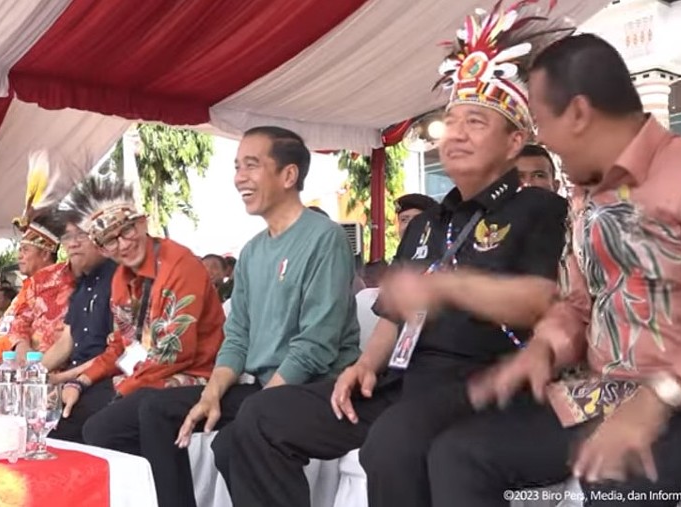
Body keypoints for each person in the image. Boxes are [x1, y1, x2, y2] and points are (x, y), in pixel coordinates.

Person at [217, 6, 569, 507]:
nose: (458, 133)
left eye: (476, 121)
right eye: (450, 122)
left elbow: (543, 303)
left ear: (516, 141)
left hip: (481, 379)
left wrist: (454, 290)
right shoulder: (426, 223)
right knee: (262, 417)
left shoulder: (540, 209)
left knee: (393, 443)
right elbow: (391, 313)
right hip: (400, 378)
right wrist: (363, 366)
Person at [435, 33, 681, 507]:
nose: (540, 140)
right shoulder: (584, 197)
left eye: (542, 123)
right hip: (606, 395)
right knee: (459, 454)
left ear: (578, 113)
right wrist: (543, 350)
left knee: (612, 482)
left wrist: (654, 403)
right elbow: (575, 304)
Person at [84, 126, 361, 507]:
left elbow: (316, 344)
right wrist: (212, 395)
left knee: (233, 441)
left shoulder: (324, 238)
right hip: (263, 386)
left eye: (251, 165)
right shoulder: (251, 252)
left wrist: (261, 405)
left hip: (315, 388)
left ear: (288, 175)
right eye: (236, 167)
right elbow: (238, 338)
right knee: (118, 421)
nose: (238, 178)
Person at [67, 174, 226, 456]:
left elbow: (174, 354)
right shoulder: (120, 279)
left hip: (195, 374)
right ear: (102, 249)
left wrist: (122, 389)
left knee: (100, 427)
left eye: (125, 231)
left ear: (142, 223)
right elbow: (122, 346)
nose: (122, 245)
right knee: (71, 413)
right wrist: (80, 382)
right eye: (109, 241)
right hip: (146, 372)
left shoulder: (180, 266)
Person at [0, 155, 73, 369]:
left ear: (45, 253)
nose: (19, 256)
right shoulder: (33, 285)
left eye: (25, 250)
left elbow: (45, 337)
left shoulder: (60, 281)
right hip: (15, 361)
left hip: (43, 368)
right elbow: (13, 325)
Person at [41, 213, 119, 442]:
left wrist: (65, 378)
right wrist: (31, 375)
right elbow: (67, 341)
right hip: (74, 377)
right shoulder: (82, 286)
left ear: (101, 238)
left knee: (57, 431)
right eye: (67, 236)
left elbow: (118, 352)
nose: (73, 243)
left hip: (105, 378)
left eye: (82, 235)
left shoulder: (119, 279)